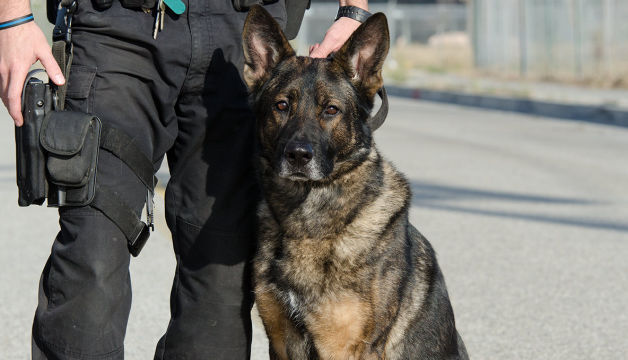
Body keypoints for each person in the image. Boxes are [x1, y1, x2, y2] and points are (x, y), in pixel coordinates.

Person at [0, 0, 370, 358]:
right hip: (118, 29)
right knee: (91, 255)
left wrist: (353, 10)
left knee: (219, 286)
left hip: (240, 26)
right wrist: (13, 18)